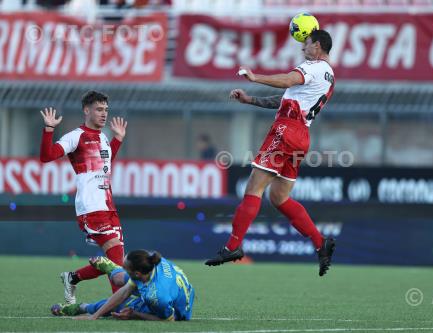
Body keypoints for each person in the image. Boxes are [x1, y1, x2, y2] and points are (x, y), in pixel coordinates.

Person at [205, 30, 336, 276]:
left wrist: (254, 78)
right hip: (302, 137)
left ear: (317, 46)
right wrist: (250, 100)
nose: (302, 48)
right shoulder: (330, 77)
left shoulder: (315, 66)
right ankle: (321, 243)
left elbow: (287, 81)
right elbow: (286, 97)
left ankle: (232, 246)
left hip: (286, 130)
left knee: (253, 188)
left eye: (306, 44)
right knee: (279, 198)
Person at [39, 91, 128, 303]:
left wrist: (118, 140)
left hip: (108, 206)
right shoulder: (75, 136)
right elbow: (46, 156)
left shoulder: (103, 136)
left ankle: (72, 278)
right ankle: (118, 304)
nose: (104, 114)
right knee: (115, 257)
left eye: (106, 109)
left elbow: (105, 164)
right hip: (91, 207)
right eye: (99, 109)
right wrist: (49, 129)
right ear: (86, 110)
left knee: (116, 262)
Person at [74, 250, 195, 321]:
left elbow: (169, 320)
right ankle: (111, 267)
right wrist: (95, 316)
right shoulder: (151, 261)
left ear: (137, 274)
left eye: (125, 268)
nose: (123, 267)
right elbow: (123, 293)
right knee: (119, 279)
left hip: (177, 311)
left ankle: (83, 307)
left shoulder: (155, 297)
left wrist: (135, 314)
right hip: (173, 289)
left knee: (121, 307)